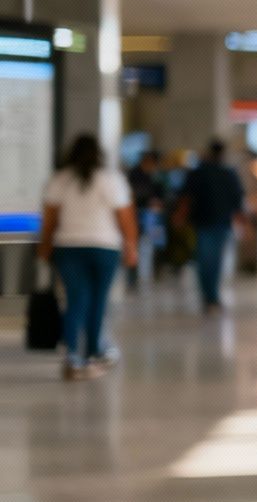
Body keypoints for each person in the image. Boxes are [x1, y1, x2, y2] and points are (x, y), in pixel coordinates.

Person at [38, 135, 138, 380]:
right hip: (105, 247)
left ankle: (72, 355)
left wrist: (45, 246)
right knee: (98, 299)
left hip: (69, 246)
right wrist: (131, 246)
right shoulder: (111, 179)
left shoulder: (60, 180)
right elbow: (125, 218)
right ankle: (94, 350)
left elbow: (50, 220)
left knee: (75, 299)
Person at [175, 139, 247, 313]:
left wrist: (180, 216)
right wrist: (242, 223)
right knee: (215, 261)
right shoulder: (229, 173)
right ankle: (211, 296)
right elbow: (238, 201)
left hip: (204, 222)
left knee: (204, 260)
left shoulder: (199, 172)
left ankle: (209, 296)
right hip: (221, 223)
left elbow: (186, 197)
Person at [124, 149, 164, 288]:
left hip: (154, 217)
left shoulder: (157, 175)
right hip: (138, 215)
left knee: (157, 243)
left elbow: (162, 193)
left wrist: (159, 203)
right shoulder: (134, 174)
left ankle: (155, 273)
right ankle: (132, 278)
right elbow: (130, 194)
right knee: (134, 244)